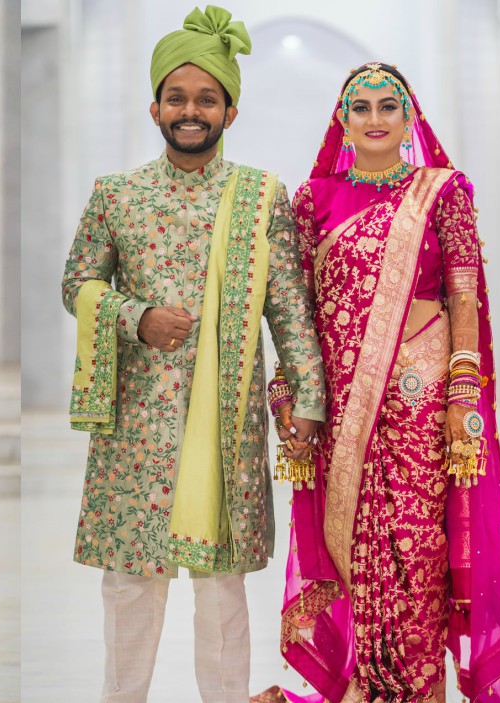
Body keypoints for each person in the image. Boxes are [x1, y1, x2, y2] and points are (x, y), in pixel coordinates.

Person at [271, 62, 500, 703]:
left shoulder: (442, 191)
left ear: (409, 118)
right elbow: (297, 308)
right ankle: (365, 684)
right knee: (355, 544)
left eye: (389, 106)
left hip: (422, 394)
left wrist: (463, 387)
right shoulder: (313, 199)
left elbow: (463, 294)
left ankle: (419, 689)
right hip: (343, 400)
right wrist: (290, 390)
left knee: (418, 545)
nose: (375, 119)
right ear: (342, 120)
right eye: (361, 108)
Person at [60, 7, 326, 703]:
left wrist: (307, 397)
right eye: (176, 97)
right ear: (154, 107)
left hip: (226, 420)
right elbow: (76, 284)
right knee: (129, 580)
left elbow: (289, 307)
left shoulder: (262, 197)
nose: (190, 111)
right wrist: (136, 318)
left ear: (230, 112)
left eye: (207, 98)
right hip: (136, 420)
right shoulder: (116, 195)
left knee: (221, 583)